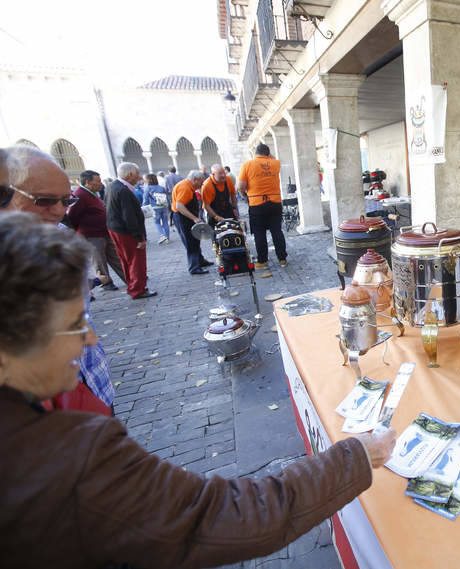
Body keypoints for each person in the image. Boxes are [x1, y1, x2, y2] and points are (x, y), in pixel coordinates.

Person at [0, 212, 398, 569]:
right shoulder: (67, 454)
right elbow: (221, 516)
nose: (88, 341)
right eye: (74, 324)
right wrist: (356, 456)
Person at [4, 145, 116, 409]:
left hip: (93, 383)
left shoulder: (63, 239)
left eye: (66, 201)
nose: (58, 211)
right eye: (44, 200)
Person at [67, 170, 126, 291]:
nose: (100, 183)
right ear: (88, 182)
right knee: (99, 260)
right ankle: (106, 282)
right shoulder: (80, 195)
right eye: (98, 181)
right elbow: (72, 216)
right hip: (91, 235)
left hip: (103, 231)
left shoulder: (92, 193)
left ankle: (128, 277)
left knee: (115, 256)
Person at [106, 162, 157, 299]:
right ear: (129, 175)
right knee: (136, 260)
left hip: (116, 229)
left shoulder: (112, 186)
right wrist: (139, 237)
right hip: (126, 231)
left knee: (126, 259)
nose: (139, 177)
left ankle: (132, 285)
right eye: (137, 174)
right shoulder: (123, 191)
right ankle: (137, 289)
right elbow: (129, 216)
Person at [237, 143, 287, 269]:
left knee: (259, 233)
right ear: (268, 154)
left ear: (255, 153)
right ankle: (282, 259)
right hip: (275, 202)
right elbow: (273, 157)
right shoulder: (275, 163)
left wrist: (244, 195)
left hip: (257, 203)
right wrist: (268, 155)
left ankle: (263, 260)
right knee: (277, 231)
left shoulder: (248, 165)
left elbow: (241, 186)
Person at [172, 170, 214, 275]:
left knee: (195, 239)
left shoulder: (188, 185)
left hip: (186, 217)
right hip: (182, 218)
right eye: (201, 181)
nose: (202, 184)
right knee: (190, 242)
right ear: (195, 180)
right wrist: (194, 218)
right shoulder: (185, 188)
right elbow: (179, 206)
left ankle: (200, 260)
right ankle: (194, 267)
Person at [202, 163, 239, 227]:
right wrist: (216, 217)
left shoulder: (228, 180)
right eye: (220, 174)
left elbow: (233, 195)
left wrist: (234, 208)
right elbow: (206, 206)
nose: (223, 175)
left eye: (224, 173)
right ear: (213, 174)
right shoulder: (207, 186)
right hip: (213, 212)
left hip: (227, 208)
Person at [142, 173, 171, 244]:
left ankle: (162, 235)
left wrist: (144, 207)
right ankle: (167, 237)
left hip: (155, 207)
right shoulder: (161, 188)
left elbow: (145, 199)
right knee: (165, 222)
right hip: (164, 206)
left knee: (157, 222)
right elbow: (167, 197)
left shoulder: (148, 188)